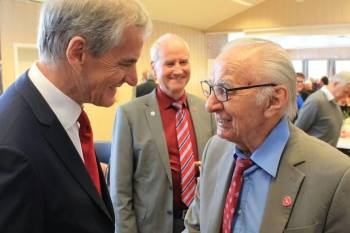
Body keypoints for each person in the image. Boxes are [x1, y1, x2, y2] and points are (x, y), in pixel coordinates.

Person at [0, 0, 151, 232]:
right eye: (126, 63)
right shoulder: (13, 149)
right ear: (78, 53)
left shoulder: (64, 116)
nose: (133, 78)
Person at [184, 38, 350, 233]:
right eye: (212, 88)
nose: (209, 105)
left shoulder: (336, 177)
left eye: (224, 90)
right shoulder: (215, 148)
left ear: (274, 100)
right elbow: (195, 226)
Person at [109, 33, 216, 233]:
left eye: (183, 62)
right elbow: (119, 190)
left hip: (200, 222)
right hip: (152, 225)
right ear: (154, 68)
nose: (178, 70)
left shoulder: (206, 109)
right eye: (169, 63)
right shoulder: (130, 115)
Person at [295, 71, 350, 146]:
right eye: (345, 92)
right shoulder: (316, 101)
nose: (346, 96)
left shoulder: (334, 103)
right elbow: (297, 132)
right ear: (335, 84)